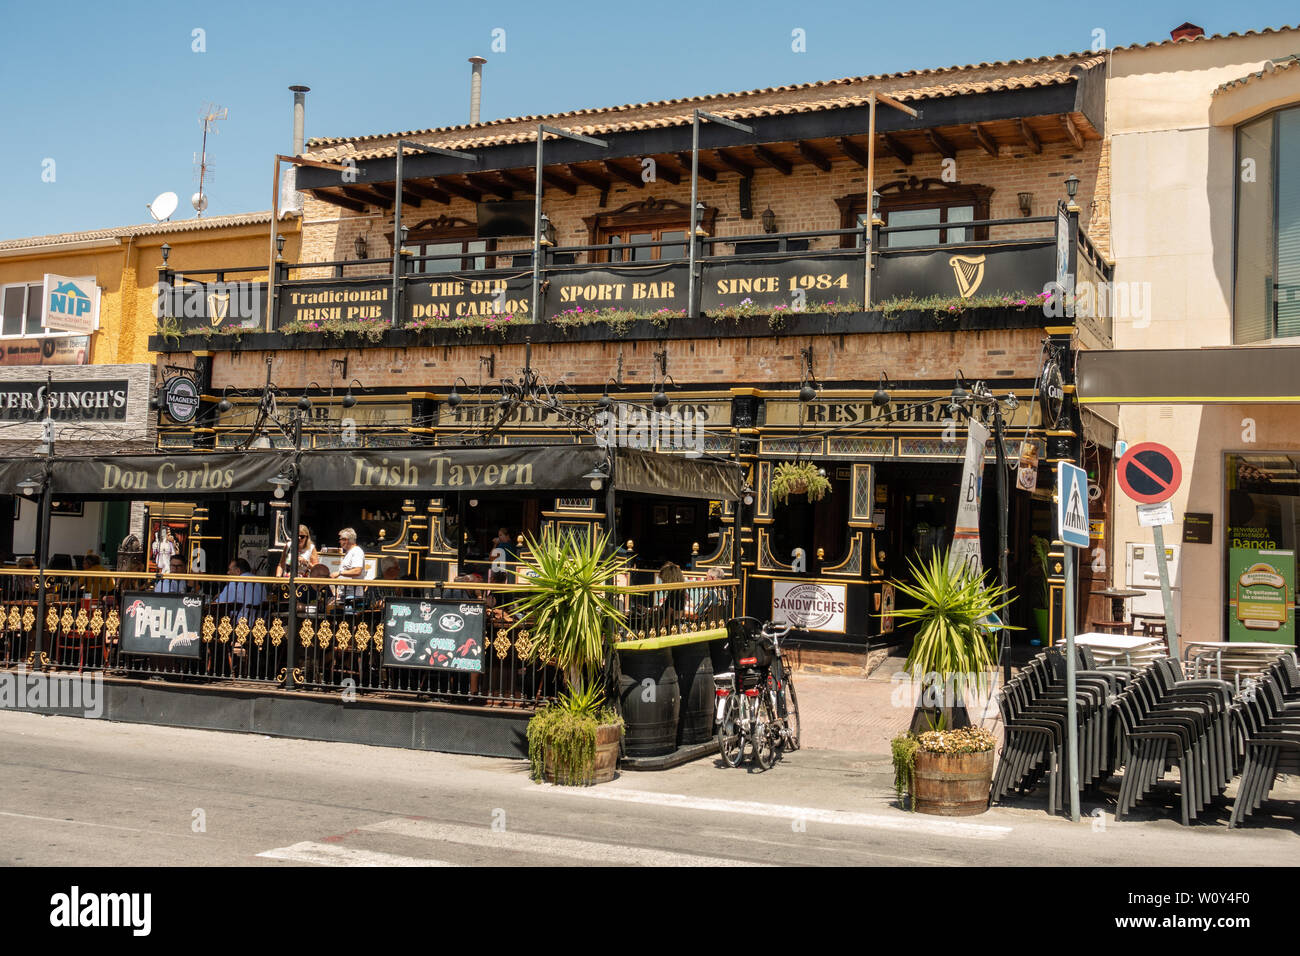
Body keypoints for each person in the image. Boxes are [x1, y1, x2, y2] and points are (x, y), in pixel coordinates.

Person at [213, 558, 267, 624]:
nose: (228, 572)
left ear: (238, 571)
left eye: (230, 570)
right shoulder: (260, 582)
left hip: (240, 624)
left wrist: (216, 598)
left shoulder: (235, 582)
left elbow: (219, 603)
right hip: (259, 625)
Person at [332, 528, 366, 608]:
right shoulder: (349, 552)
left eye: (340, 539)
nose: (339, 542)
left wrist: (339, 573)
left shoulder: (357, 552)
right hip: (346, 595)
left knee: (350, 619)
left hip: (353, 596)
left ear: (346, 540)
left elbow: (357, 571)